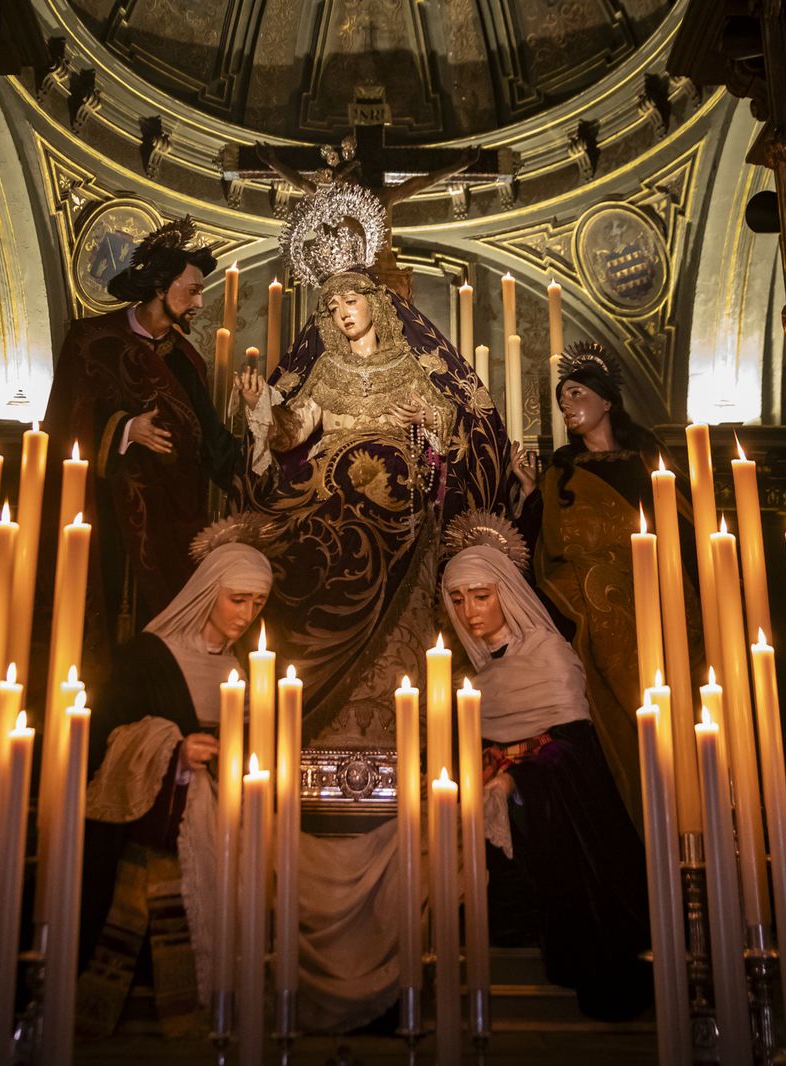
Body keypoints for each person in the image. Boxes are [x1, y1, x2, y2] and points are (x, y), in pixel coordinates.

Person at [235, 183, 510, 742]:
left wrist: (425, 423)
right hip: (327, 501)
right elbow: (292, 433)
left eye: (350, 303)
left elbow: (445, 439)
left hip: (394, 507)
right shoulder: (326, 373)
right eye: (332, 308)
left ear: (376, 303)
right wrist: (261, 406)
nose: (341, 316)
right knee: (296, 540)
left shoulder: (410, 368)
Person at [441, 536, 653, 1021]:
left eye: (481, 595)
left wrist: (517, 781)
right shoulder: (474, 675)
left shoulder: (549, 657)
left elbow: (575, 751)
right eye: (457, 600)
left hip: (545, 810)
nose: (469, 611)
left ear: (507, 593)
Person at [77, 536, 270, 1038]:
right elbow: (109, 737)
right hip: (155, 819)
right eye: (237, 599)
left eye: (258, 602)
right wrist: (174, 749)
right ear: (209, 592)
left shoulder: (239, 670)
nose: (246, 614)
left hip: (218, 818)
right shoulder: (149, 656)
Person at [511, 342, 700, 814]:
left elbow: (686, 529)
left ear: (607, 400)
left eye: (576, 395)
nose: (568, 407)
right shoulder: (563, 472)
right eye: (562, 401)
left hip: (661, 605)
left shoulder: (647, 463)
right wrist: (533, 492)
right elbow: (543, 550)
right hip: (598, 623)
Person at [41, 216, 240, 657]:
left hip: (171, 524)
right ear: (158, 288)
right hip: (105, 516)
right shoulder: (91, 341)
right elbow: (63, 426)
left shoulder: (188, 360)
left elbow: (210, 440)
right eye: (191, 290)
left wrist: (266, 449)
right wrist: (126, 429)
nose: (200, 303)